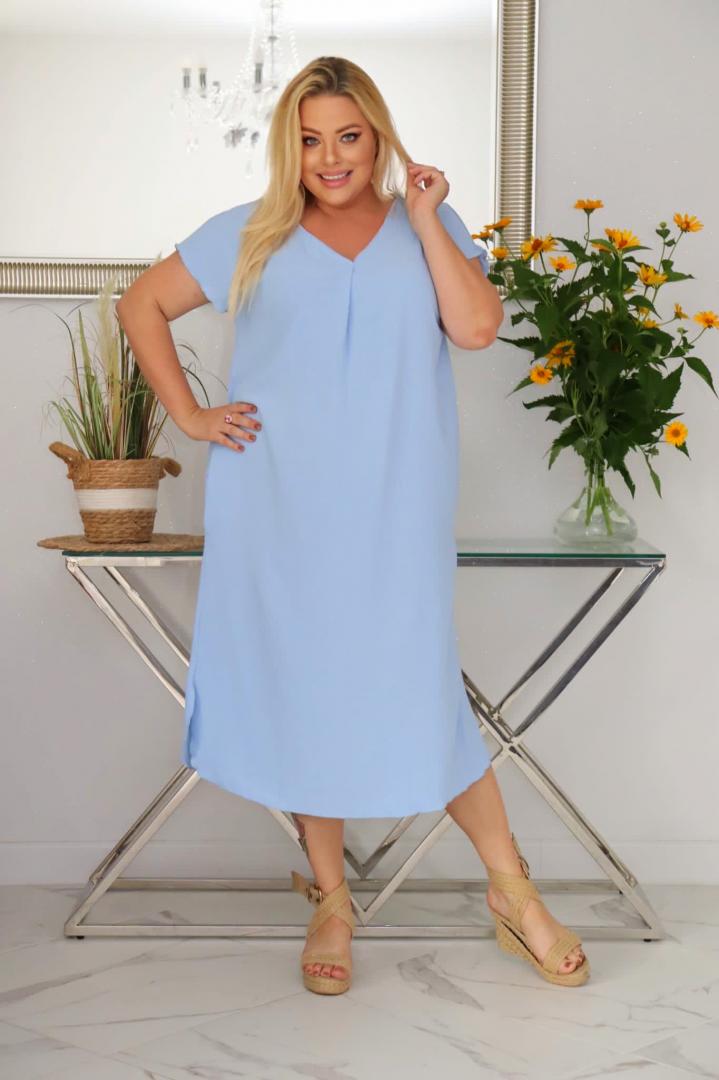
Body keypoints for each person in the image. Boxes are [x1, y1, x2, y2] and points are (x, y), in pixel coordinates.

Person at [116, 55, 588, 995]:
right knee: (303, 689)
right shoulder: (249, 231)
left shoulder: (428, 223)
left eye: (347, 136)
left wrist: (425, 217)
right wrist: (192, 416)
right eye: (308, 139)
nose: (329, 157)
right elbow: (142, 305)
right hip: (275, 501)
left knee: (418, 686)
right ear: (286, 147)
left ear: (377, 138)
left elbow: (476, 328)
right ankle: (330, 900)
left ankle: (511, 890)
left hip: (395, 500)